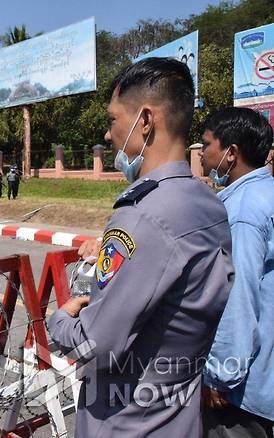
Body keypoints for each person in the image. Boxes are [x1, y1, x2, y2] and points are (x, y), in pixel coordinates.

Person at [49, 58, 234, 438]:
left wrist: (61, 322)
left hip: (126, 423)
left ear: (145, 121)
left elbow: (96, 346)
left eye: (114, 120)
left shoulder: (142, 217)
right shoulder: (209, 205)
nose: (107, 134)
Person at [198, 107, 274, 438]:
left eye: (206, 144)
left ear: (231, 153)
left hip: (241, 392)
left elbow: (238, 298)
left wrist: (219, 375)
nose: (201, 154)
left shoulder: (241, 211)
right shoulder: (266, 194)